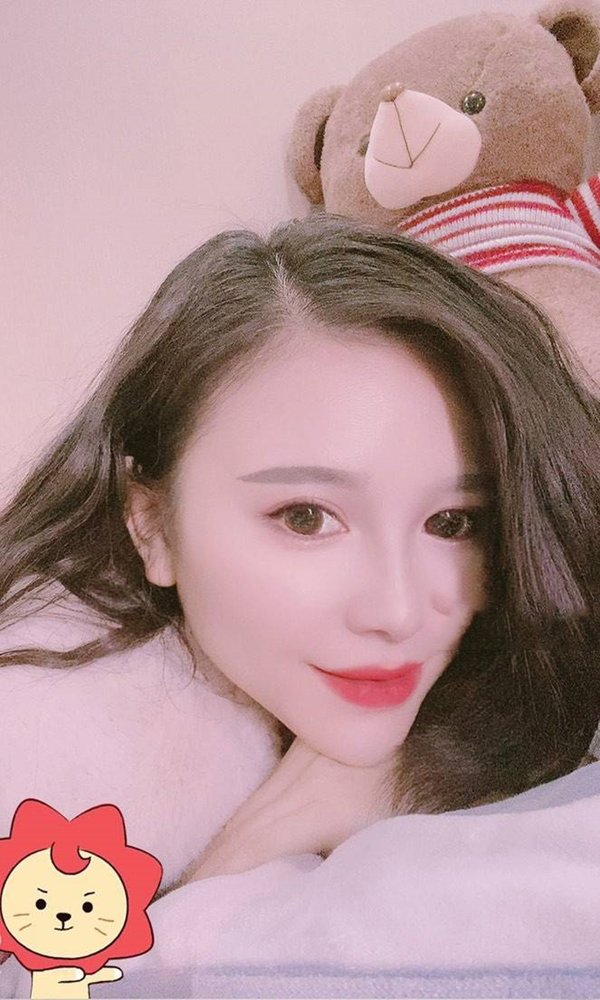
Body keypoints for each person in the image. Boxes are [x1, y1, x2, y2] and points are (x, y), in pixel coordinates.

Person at [1, 213, 600, 890]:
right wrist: (218, 884)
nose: (397, 613)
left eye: (454, 522)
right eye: (306, 518)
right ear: (153, 527)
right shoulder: (47, 753)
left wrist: (419, 772)